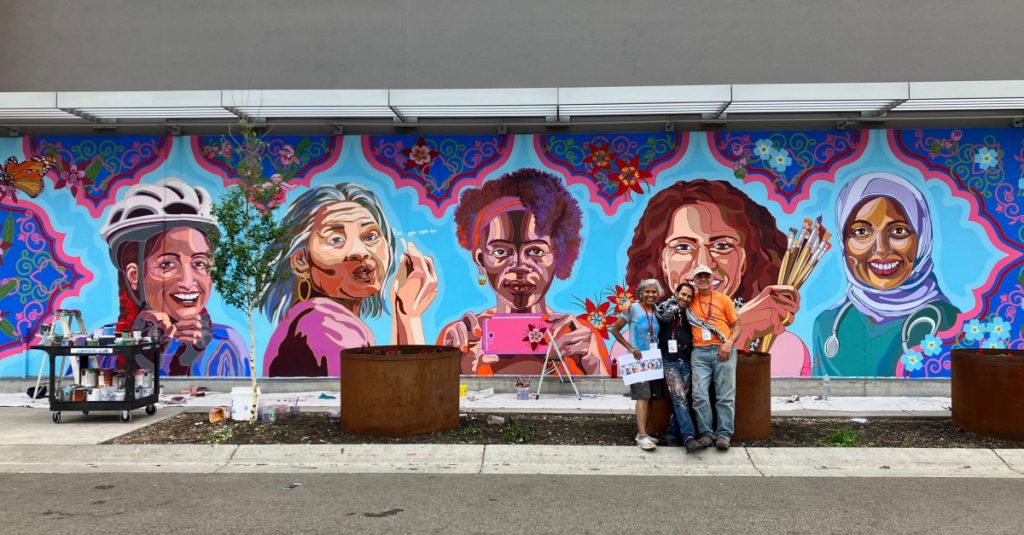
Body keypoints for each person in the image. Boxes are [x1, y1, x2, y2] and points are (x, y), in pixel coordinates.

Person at [625, 179, 808, 376]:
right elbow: (649, 391)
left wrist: (741, 333)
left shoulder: (788, 348)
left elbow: (744, 401)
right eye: (683, 247)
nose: (703, 264)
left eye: (722, 246)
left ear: (747, 258)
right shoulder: (637, 334)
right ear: (661, 260)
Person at [439, 167, 608, 376]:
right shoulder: (462, 337)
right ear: (480, 260)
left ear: (558, 256)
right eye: (501, 251)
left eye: (536, 250)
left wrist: (595, 367)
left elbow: (607, 401)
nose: (519, 265)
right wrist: (459, 371)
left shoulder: (577, 336)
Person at [260, 183, 437, 376]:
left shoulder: (306, 317)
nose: (360, 251)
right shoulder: (327, 323)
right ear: (302, 260)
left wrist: (403, 311)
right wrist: (410, 318)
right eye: (336, 239)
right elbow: (404, 396)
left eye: (370, 236)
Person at [812, 172, 959, 377]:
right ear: (844, 242)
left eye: (898, 231)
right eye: (861, 232)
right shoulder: (827, 323)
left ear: (922, 239)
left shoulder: (948, 322)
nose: (881, 249)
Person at [100, 177, 249, 376]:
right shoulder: (103, 345)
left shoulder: (225, 345)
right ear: (134, 275)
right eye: (167, 264)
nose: (188, 282)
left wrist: (187, 357)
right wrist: (138, 350)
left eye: (199, 263)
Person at [688, 264, 741, 450]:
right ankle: (706, 433)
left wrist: (729, 343)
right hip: (700, 352)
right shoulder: (688, 300)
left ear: (712, 280)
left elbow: (736, 325)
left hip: (723, 350)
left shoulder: (724, 299)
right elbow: (664, 308)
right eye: (699, 277)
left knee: (725, 395)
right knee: (699, 394)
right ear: (694, 281)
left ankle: (724, 435)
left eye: (706, 277)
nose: (703, 280)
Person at [609, 278, 666, 451]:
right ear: (640, 293)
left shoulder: (657, 310)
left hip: (652, 360)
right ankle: (641, 436)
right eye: (647, 291)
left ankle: (644, 433)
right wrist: (629, 347)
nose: (650, 294)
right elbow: (614, 329)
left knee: (649, 397)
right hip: (637, 360)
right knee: (642, 396)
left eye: (654, 291)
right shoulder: (632, 308)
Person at [654, 281, 704, 453]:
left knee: (684, 399)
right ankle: (689, 437)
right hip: (670, 361)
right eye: (683, 294)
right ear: (676, 293)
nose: (686, 298)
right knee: (680, 399)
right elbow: (646, 308)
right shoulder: (662, 309)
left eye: (689, 296)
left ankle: (672, 435)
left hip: (687, 360)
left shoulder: (691, 315)